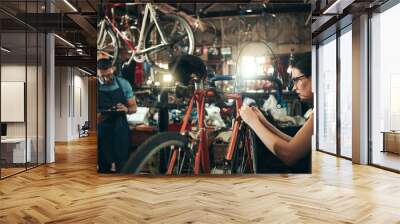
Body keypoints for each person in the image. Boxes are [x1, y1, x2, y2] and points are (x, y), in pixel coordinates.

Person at [240, 53, 313, 173]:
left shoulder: (322, 116)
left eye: (297, 80)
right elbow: (294, 142)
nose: (294, 88)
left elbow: (289, 154)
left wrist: (253, 122)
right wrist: (263, 122)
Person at [97, 54, 137, 173]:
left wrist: (126, 109)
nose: (106, 79)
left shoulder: (123, 84)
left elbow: (134, 108)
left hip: (120, 128)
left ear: (113, 69)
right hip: (102, 128)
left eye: (108, 75)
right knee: (103, 165)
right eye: (102, 76)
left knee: (122, 164)